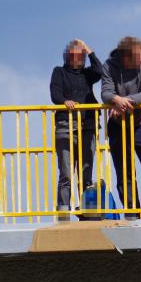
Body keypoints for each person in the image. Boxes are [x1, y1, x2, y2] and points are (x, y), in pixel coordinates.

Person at [101, 36, 141, 219]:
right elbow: (105, 92)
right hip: (117, 126)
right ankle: (132, 213)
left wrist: (122, 102)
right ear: (125, 58)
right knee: (124, 172)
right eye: (138, 57)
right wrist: (114, 99)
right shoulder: (110, 66)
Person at [49, 39, 102, 219]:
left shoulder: (87, 74)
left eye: (81, 55)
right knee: (66, 174)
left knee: (86, 174)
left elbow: (99, 71)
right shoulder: (59, 72)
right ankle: (63, 212)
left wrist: (89, 49)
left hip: (88, 126)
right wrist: (64, 101)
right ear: (67, 56)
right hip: (66, 126)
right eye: (73, 54)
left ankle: (86, 212)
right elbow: (55, 93)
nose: (77, 58)